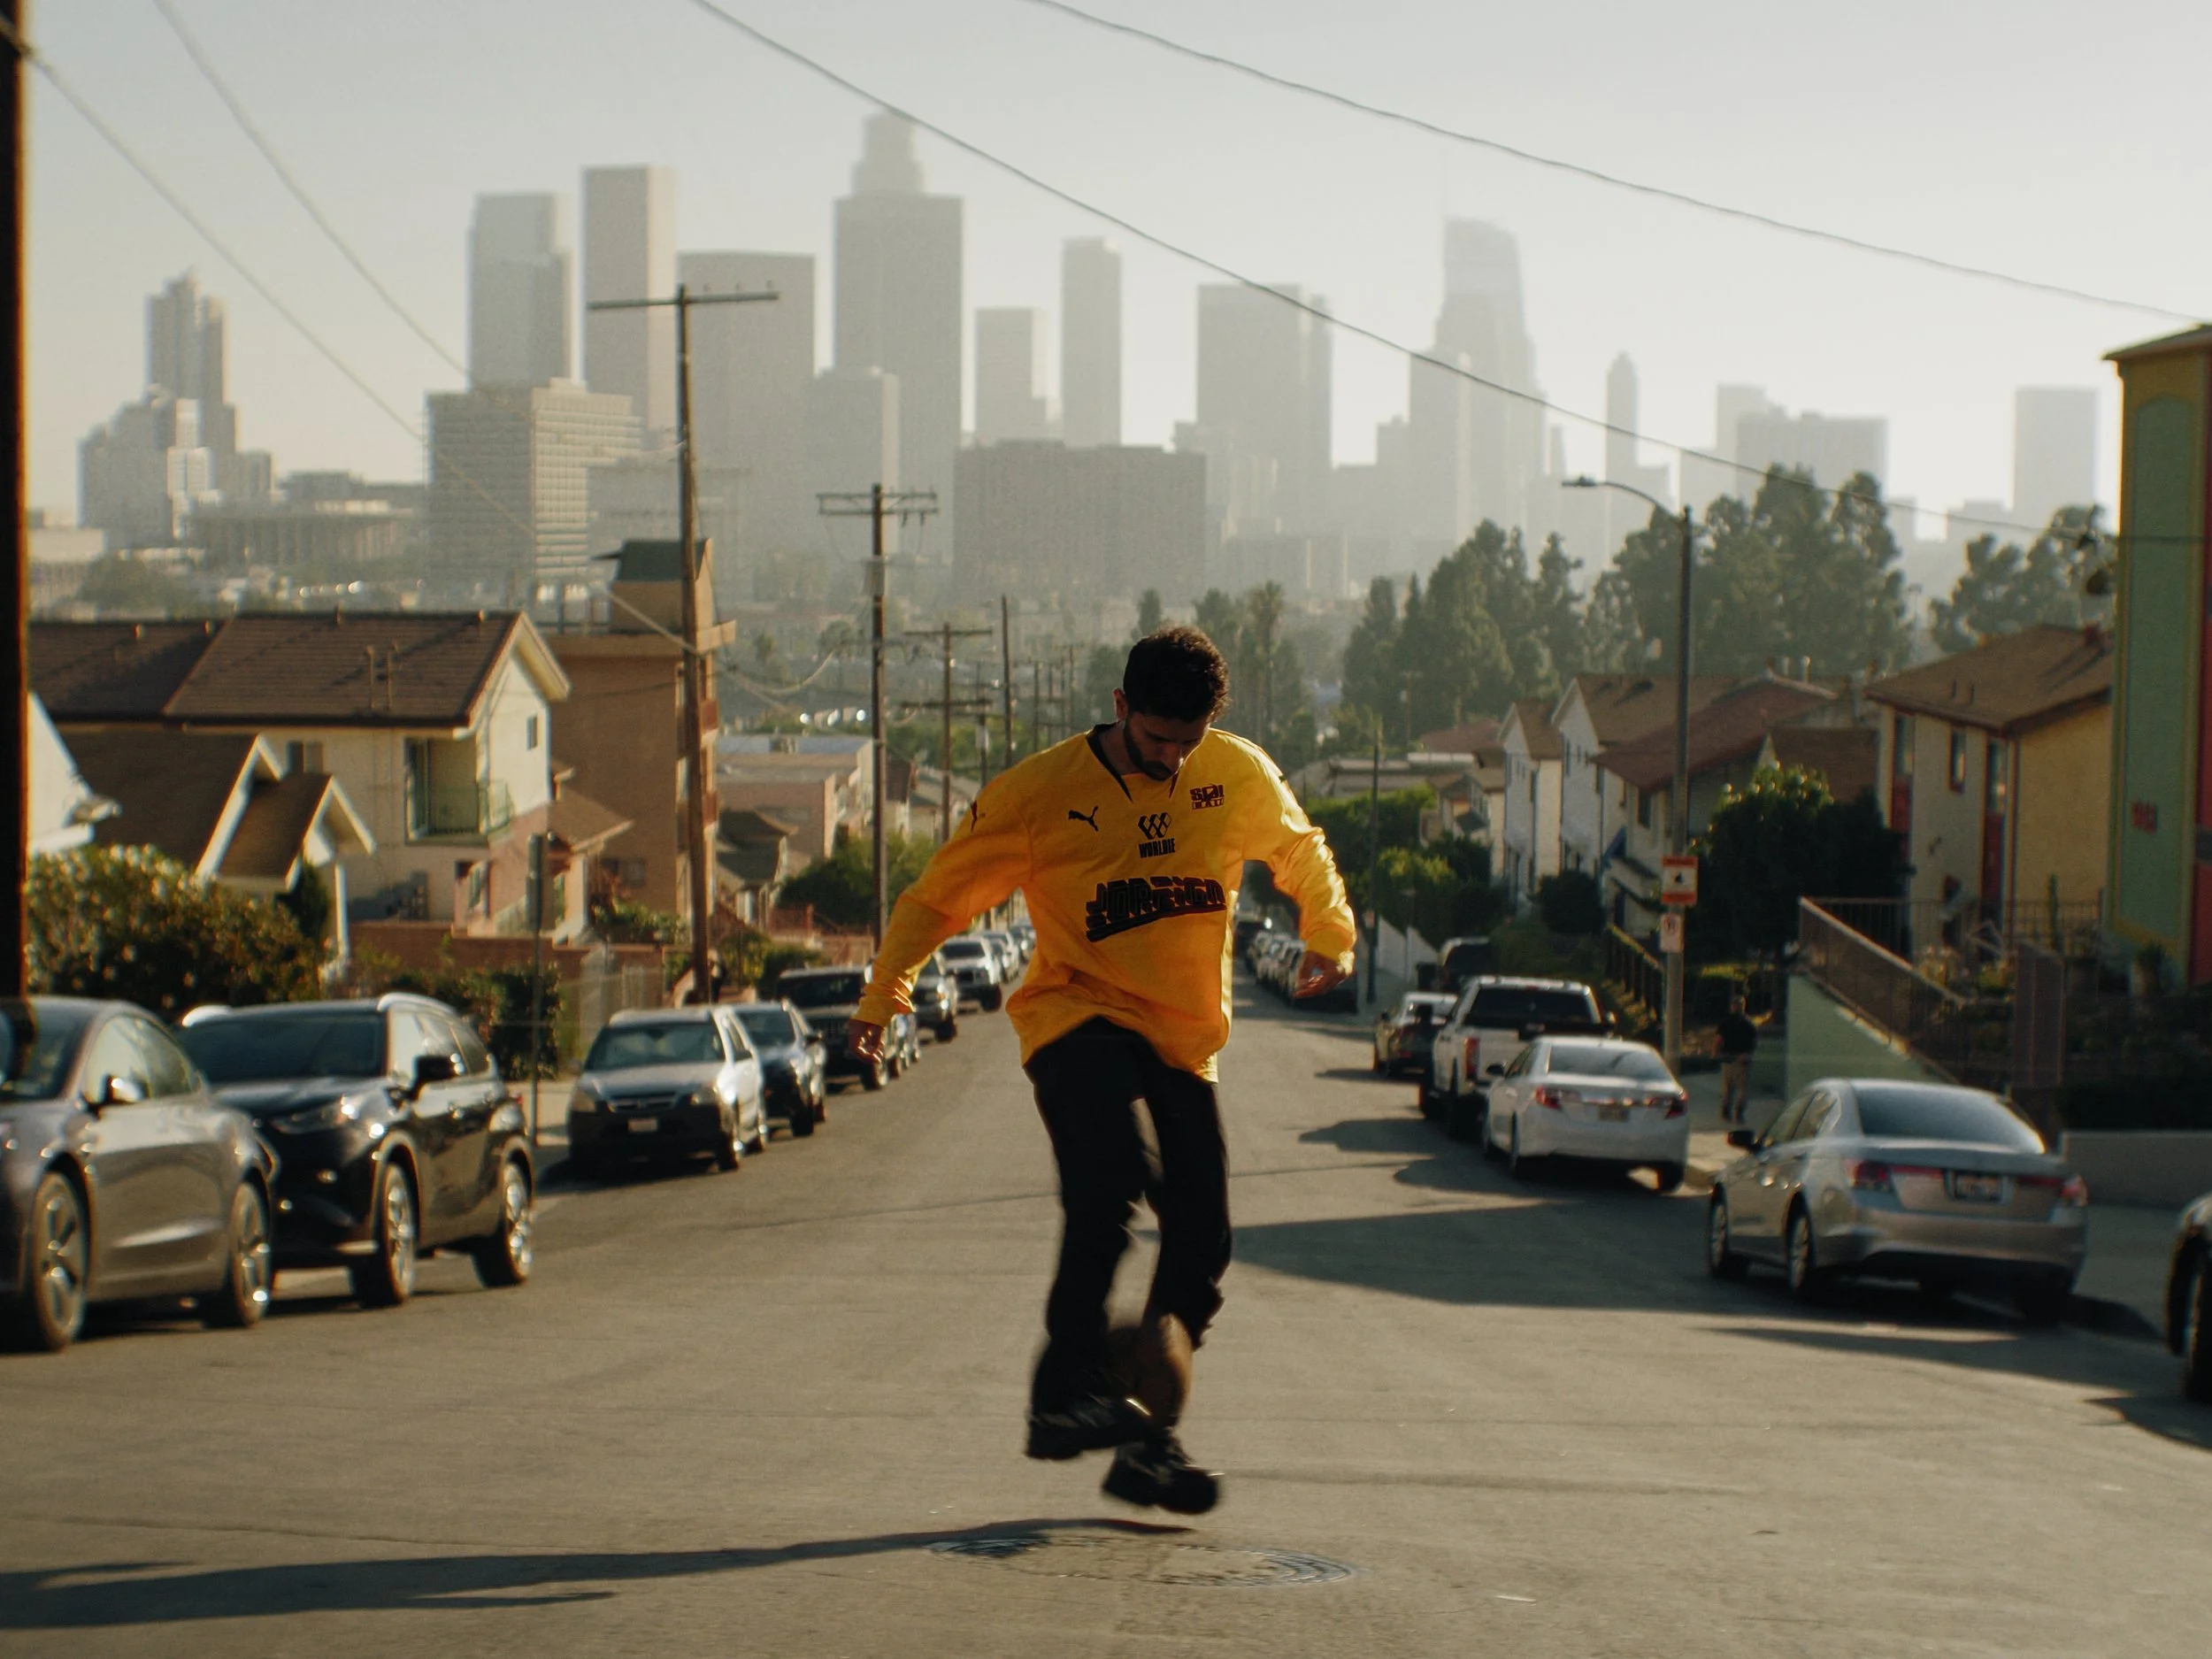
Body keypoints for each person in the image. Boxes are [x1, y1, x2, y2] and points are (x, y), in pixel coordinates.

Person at [845, 626, 1353, 1515]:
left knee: (1203, 1242)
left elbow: (1299, 848)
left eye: (1187, 743)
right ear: (1120, 709)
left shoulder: (1232, 773)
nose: (1172, 760)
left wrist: (1330, 929)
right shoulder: (1039, 795)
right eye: (1158, 741)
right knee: (1112, 1178)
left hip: (1182, 1039)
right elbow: (938, 895)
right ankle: (1061, 1390)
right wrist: (883, 996)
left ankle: (1146, 1442)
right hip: (1074, 1013)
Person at [1717, 992, 1758, 1125]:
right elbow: (1753, 1042)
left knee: (1728, 1088)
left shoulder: (1726, 1022)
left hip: (1728, 1059)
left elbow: (1718, 1039)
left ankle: (1726, 1111)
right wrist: (1747, 1054)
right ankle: (1738, 1113)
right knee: (1741, 1090)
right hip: (1742, 1060)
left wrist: (1715, 1053)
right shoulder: (1748, 1024)